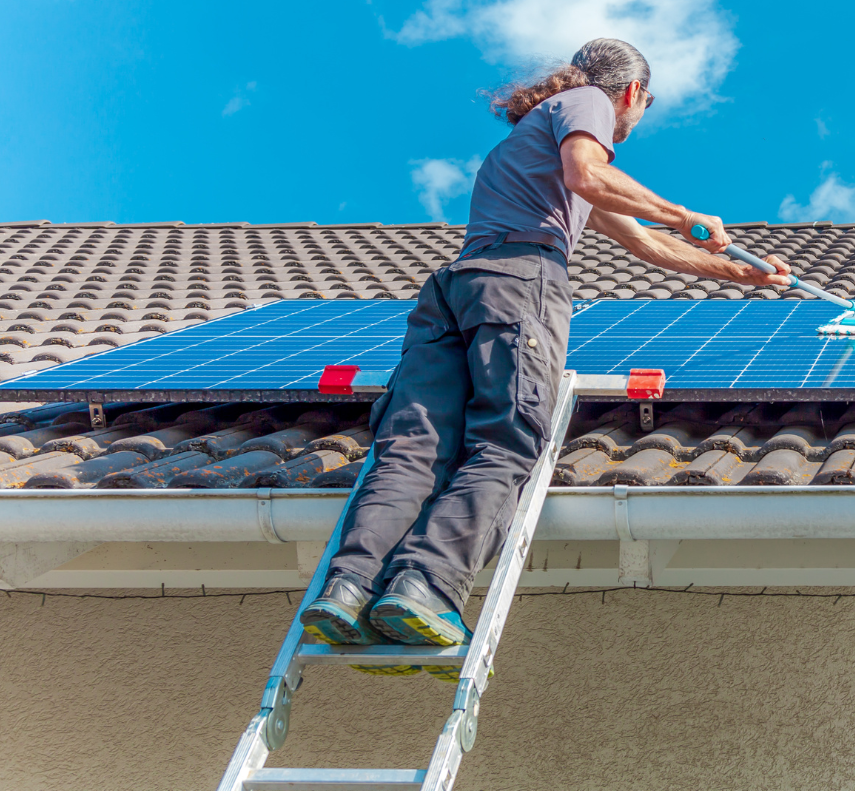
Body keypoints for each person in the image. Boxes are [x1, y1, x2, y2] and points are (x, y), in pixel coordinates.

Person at [300, 38, 790, 659]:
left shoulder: (530, 141)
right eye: (641, 108)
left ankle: (347, 589)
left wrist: (744, 276)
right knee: (505, 440)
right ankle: (424, 587)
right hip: (518, 283)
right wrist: (684, 213)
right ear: (632, 94)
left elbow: (643, 244)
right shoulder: (585, 104)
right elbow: (594, 175)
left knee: (414, 449)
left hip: (456, 290)